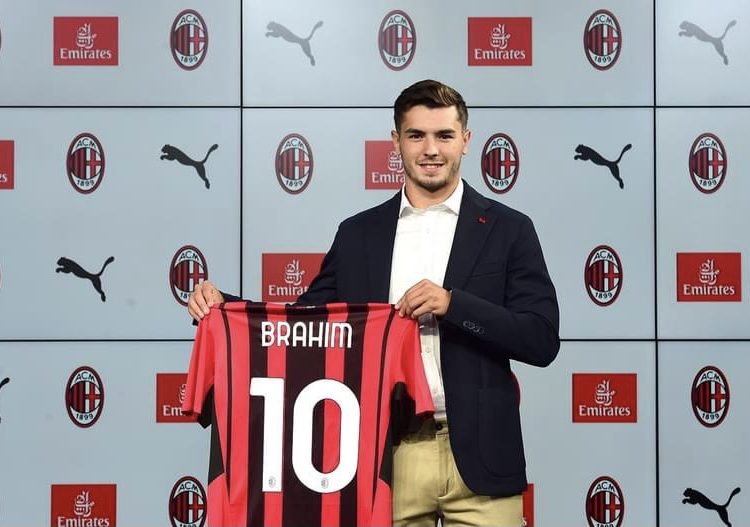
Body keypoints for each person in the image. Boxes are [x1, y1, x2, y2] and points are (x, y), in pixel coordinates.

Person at [188, 79, 559, 527]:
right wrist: (225, 309)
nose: (431, 149)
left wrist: (453, 305)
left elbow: (541, 339)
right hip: (385, 454)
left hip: (483, 460)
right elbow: (305, 326)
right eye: (416, 135)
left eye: (444, 135)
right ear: (395, 142)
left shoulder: (509, 229)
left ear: (465, 140)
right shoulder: (358, 234)